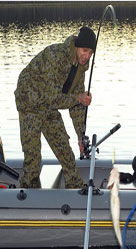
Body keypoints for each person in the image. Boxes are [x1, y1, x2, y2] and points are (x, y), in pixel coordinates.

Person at [14, 27, 96, 189]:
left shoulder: (81, 69)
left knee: (66, 153)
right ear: (76, 47)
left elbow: (76, 105)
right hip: (29, 102)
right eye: (84, 51)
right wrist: (78, 98)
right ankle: (28, 194)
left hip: (48, 107)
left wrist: (80, 136)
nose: (87, 56)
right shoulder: (56, 56)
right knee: (33, 158)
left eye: (90, 53)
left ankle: (76, 190)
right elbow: (53, 98)